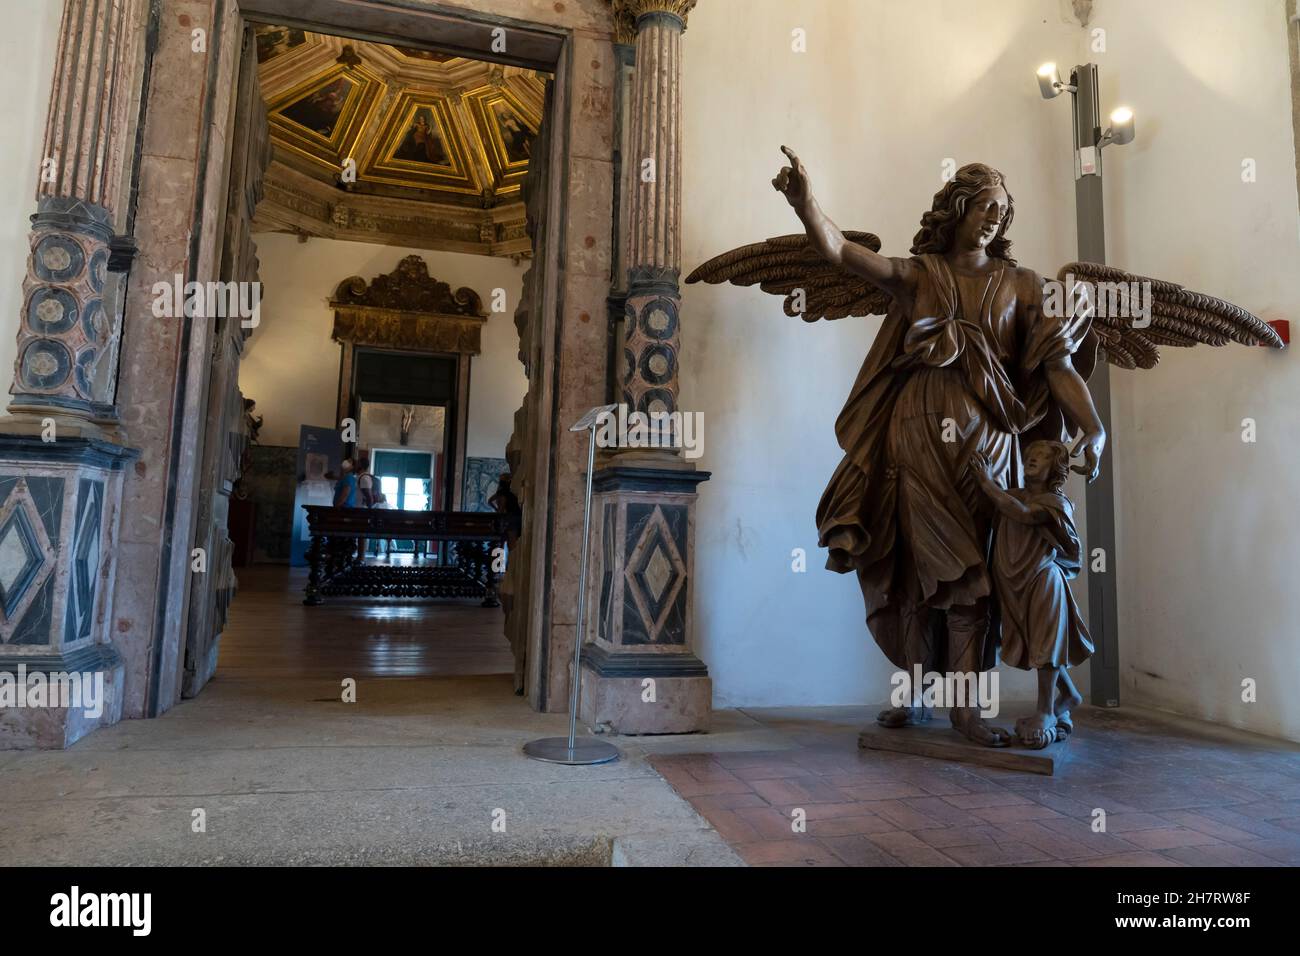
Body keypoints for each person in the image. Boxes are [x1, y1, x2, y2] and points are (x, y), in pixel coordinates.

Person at [774, 150, 1106, 746]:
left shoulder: (1025, 285)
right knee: (912, 569)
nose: (993, 221)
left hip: (990, 444)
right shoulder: (919, 274)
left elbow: (1058, 366)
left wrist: (1095, 425)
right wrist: (806, 202)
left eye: (1002, 212)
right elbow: (841, 253)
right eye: (984, 207)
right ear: (958, 208)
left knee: (970, 576)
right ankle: (917, 694)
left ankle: (967, 710)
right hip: (916, 438)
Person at [971, 442, 1091, 749]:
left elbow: (1022, 514)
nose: (1031, 459)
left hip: (1042, 580)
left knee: (1046, 645)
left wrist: (986, 481)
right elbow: (1001, 505)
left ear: (1056, 467)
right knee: (1035, 640)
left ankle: (1045, 711)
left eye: (1040, 456)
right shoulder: (1014, 494)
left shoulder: (1055, 503)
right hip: (1014, 584)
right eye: (1028, 457)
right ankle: (1069, 695)